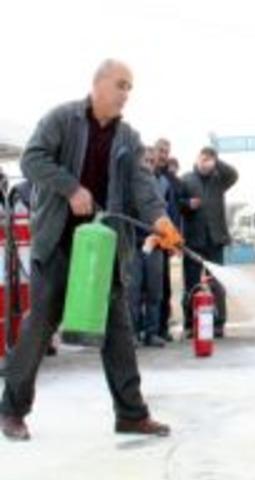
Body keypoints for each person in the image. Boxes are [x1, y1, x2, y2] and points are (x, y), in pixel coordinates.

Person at [1, 59, 182, 441]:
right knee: (40, 324)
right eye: (120, 84)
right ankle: (12, 410)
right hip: (58, 242)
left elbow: (143, 187)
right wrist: (70, 188)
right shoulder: (62, 119)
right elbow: (32, 159)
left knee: (117, 328)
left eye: (130, 87)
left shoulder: (129, 138)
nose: (126, 93)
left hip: (102, 248)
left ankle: (131, 414)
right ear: (98, 83)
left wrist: (162, 220)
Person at [179, 146, 237, 338]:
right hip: (193, 241)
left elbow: (234, 174)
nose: (206, 162)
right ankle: (189, 324)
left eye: (209, 159)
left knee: (217, 284)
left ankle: (218, 323)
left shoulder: (219, 179)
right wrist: (187, 204)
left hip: (215, 241)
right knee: (191, 284)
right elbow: (176, 202)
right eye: (203, 158)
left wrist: (216, 161)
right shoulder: (186, 179)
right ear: (196, 159)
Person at [128, 147, 167, 347]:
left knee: (154, 291)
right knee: (132, 291)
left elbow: (163, 213)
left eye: (152, 161)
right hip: (133, 245)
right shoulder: (129, 183)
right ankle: (132, 334)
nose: (149, 164)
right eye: (146, 160)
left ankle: (151, 333)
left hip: (155, 245)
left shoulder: (158, 184)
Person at [152, 139, 183, 341]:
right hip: (148, 237)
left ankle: (162, 328)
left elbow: (174, 208)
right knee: (146, 287)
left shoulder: (171, 180)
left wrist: (174, 239)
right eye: (160, 151)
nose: (163, 155)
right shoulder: (145, 174)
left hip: (166, 238)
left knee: (164, 287)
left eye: (166, 151)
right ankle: (146, 329)